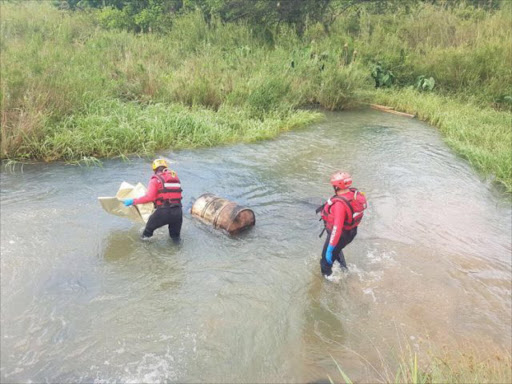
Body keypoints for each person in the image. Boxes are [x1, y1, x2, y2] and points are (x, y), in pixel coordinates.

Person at [318, 171, 366, 277]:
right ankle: (344, 270)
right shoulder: (354, 195)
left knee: (325, 263)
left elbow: (337, 228)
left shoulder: (339, 204)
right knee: (338, 249)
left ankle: (329, 284)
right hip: (351, 233)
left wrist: (329, 249)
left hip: (340, 235)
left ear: (336, 186)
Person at [123, 159, 183, 242]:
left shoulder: (155, 180)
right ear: (166, 168)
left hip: (164, 212)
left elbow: (149, 197)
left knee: (146, 235)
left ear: (154, 170)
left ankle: (146, 253)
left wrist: (133, 201)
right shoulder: (175, 178)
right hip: (178, 212)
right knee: (175, 238)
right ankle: (177, 253)